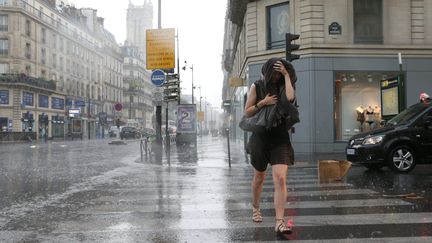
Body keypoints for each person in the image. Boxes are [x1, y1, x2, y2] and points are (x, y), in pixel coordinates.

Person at [243, 57, 296, 234]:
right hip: (260, 137)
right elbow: (247, 111)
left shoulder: (283, 85)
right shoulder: (256, 86)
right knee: (259, 176)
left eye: (278, 74)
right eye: (273, 74)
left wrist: (286, 75)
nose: (275, 78)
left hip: (280, 137)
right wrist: (263, 102)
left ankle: (279, 222)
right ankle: (256, 207)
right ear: (267, 72)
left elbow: (289, 98)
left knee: (280, 178)